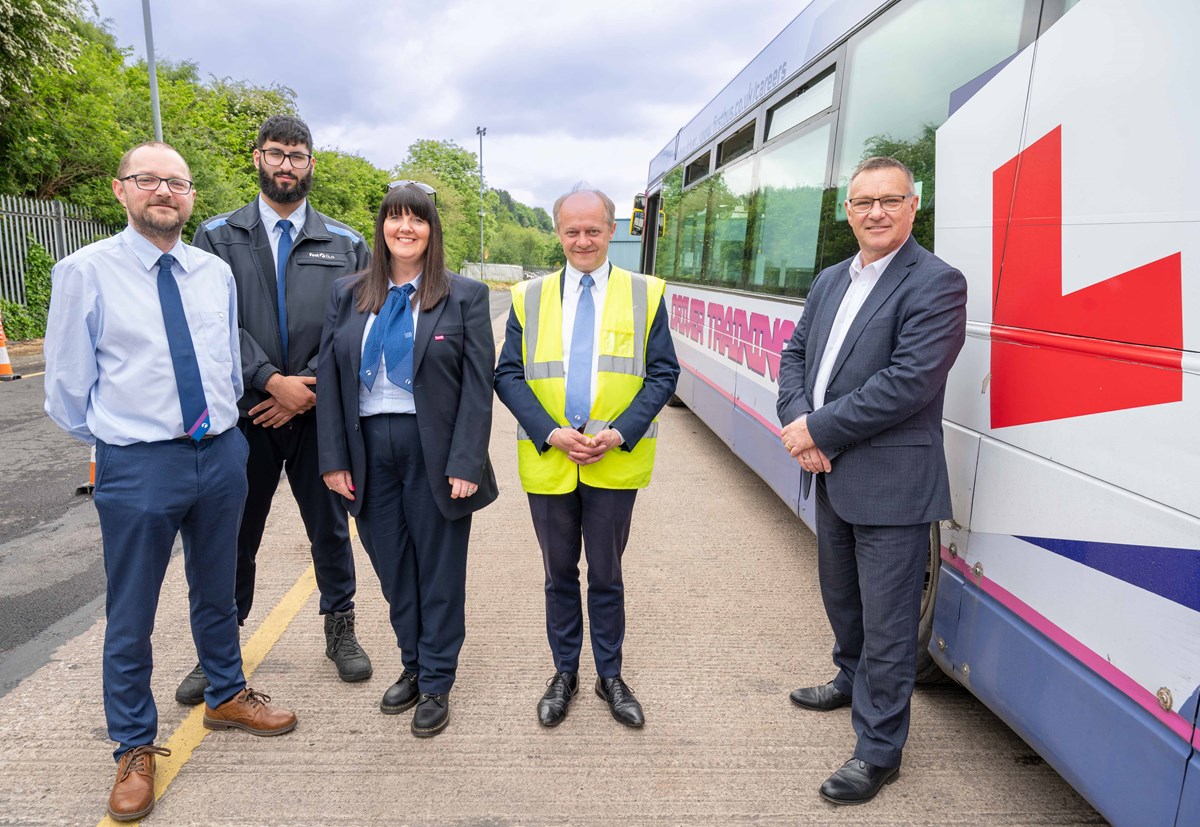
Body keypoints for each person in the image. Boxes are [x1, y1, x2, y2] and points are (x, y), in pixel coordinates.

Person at [43, 142, 297, 823]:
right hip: (138, 463)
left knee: (219, 587)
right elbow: (67, 391)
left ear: (190, 196)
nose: (165, 190)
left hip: (221, 454)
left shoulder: (211, 273)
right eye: (148, 179)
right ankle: (132, 742)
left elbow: (219, 361)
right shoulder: (85, 272)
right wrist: (122, 442)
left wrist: (224, 438)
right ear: (121, 190)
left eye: (177, 182)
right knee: (132, 609)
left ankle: (225, 692)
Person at [775, 156, 967, 804]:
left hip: (893, 482)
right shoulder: (832, 279)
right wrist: (799, 419)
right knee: (843, 599)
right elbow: (796, 352)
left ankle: (879, 750)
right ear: (848, 211)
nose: (876, 212)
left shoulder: (937, 283)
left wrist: (818, 429)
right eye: (863, 202)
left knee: (889, 625)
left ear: (914, 206)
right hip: (829, 472)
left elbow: (909, 382)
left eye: (890, 200)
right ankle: (847, 677)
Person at [176, 115, 374, 706]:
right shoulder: (215, 237)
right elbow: (211, 323)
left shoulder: (345, 242)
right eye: (276, 153)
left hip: (319, 414)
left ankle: (340, 630)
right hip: (245, 414)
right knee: (235, 535)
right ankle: (221, 648)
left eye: (297, 154)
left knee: (331, 529)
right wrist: (268, 381)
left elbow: (357, 324)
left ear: (312, 164)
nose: (286, 163)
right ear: (257, 158)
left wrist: (305, 388)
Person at [494, 185, 679, 730]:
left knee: (606, 573)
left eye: (593, 230)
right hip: (550, 459)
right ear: (558, 233)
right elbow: (507, 374)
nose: (582, 240)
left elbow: (663, 373)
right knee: (557, 574)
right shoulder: (528, 297)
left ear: (611, 229)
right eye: (571, 230)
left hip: (613, 461)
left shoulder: (646, 293)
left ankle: (610, 675)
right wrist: (549, 432)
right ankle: (564, 673)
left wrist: (622, 432)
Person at [317, 181, 497, 738]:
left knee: (438, 571)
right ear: (382, 228)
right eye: (395, 218)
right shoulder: (348, 294)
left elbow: (476, 386)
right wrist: (333, 458)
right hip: (368, 449)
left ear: (431, 229)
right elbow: (329, 377)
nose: (405, 228)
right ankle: (413, 664)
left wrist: (466, 461)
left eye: (417, 219)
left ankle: (438, 679)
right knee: (394, 569)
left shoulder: (463, 296)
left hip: (435, 452)